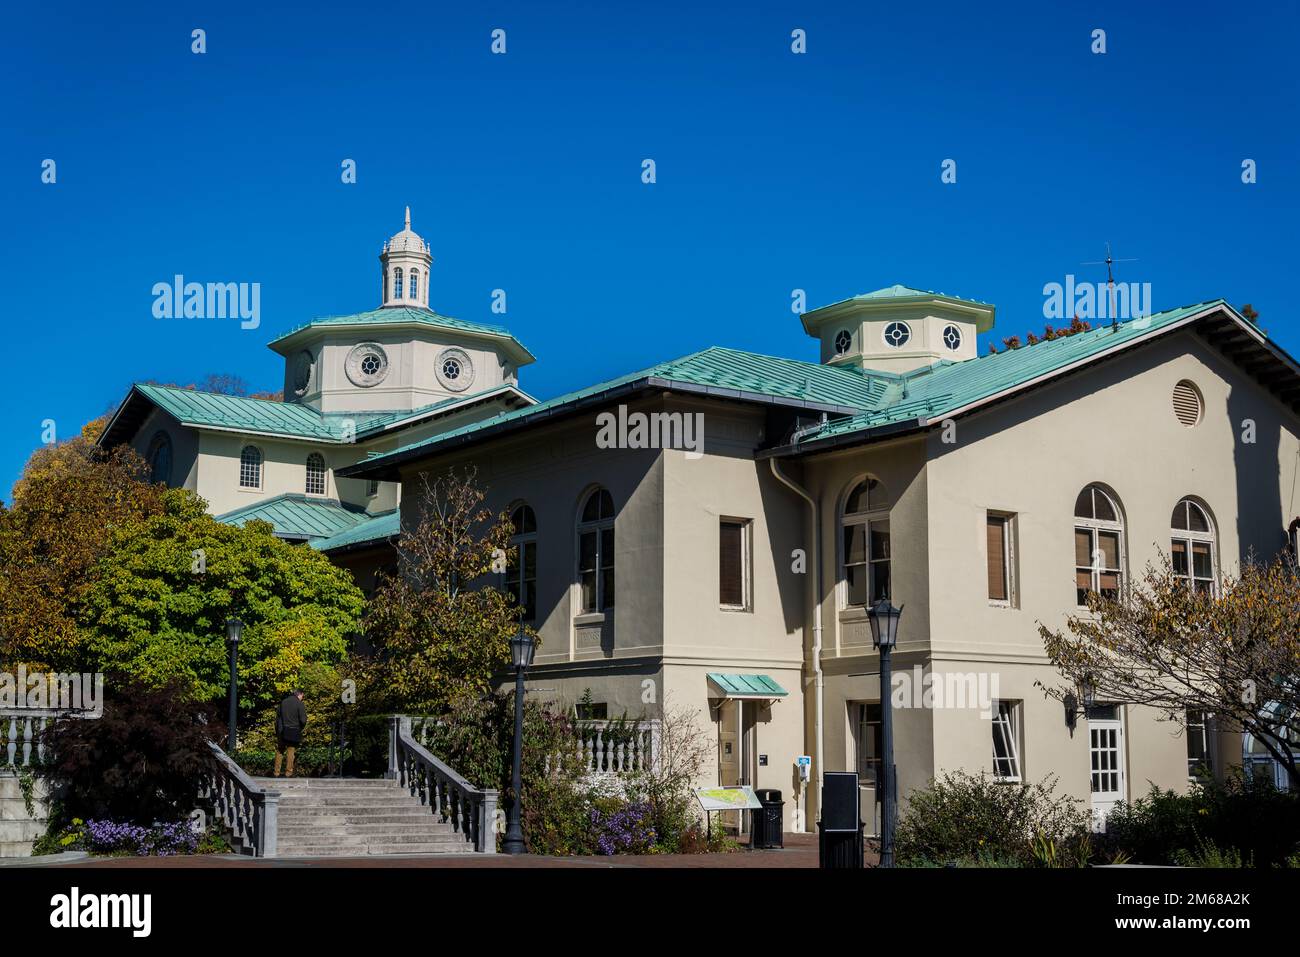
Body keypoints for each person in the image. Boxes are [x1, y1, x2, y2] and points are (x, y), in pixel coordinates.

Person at [274, 689, 308, 777]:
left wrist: (277, 730)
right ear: (299, 695)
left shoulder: (283, 702)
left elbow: (277, 718)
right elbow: (303, 720)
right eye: (302, 696)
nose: (302, 698)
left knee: (280, 750)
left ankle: (276, 772)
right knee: (291, 750)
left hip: (282, 730)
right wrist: (300, 728)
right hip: (293, 730)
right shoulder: (299, 704)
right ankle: (288, 772)